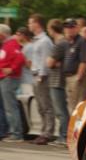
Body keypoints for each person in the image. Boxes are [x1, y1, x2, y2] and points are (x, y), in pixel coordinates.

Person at [27, 14, 55, 145]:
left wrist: (41, 75)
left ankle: (48, 133)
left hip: (41, 77)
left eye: (31, 23)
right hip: (35, 75)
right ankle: (43, 131)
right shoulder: (36, 40)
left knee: (46, 105)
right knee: (40, 106)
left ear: (37, 24)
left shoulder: (45, 41)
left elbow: (46, 59)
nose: (29, 25)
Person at [0, 25, 27, 141]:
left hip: (9, 78)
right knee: (8, 107)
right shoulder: (8, 44)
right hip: (6, 78)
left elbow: (20, 57)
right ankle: (13, 132)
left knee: (10, 107)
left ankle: (16, 133)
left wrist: (12, 69)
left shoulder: (11, 44)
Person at [45, 19, 69, 147]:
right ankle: (63, 135)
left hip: (57, 80)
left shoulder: (59, 44)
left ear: (52, 30)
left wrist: (50, 60)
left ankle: (64, 136)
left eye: (48, 29)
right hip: (60, 79)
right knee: (62, 109)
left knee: (61, 110)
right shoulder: (65, 42)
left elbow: (49, 63)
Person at [61, 19, 86, 112]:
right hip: (69, 77)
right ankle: (74, 126)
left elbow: (84, 61)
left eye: (71, 27)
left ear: (77, 28)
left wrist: (78, 77)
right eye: (67, 27)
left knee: (78, 106)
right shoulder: (68, 42)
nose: (69, 29)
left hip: (77, 77)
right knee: (72, 106)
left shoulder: (81, 41)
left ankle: (79, 126)